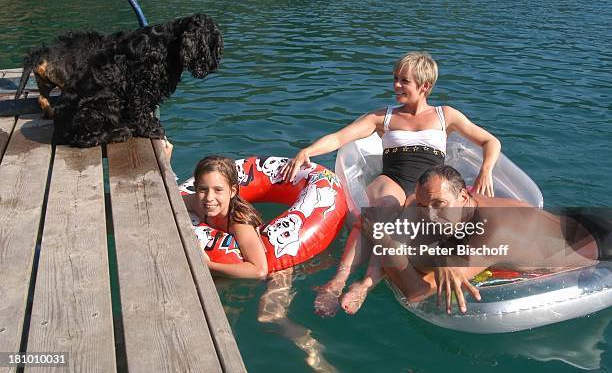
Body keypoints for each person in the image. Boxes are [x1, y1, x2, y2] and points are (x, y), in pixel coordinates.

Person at [280, 51, 501, 316]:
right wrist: (309, 150)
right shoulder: (383, 117)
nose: (396, 85)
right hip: (392, 179)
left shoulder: (446, 115)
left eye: (403, 81)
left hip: (426, 189)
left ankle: (365, 284)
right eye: (395, 79)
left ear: (424, 86)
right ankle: (338, 280)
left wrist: (485, 170)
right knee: (385, 207)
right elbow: (340, 138)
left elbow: (491, 141)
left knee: (404, 216)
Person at [377, 165, 603, 314]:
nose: (429, 216)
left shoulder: (490, 233)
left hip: (594, 257)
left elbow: (415, 292)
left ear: (463, 196)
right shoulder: (462, 201)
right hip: (579, 226)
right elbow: (412, 198)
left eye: (438, 205)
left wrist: (384, 243)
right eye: (424, 207)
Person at [183, 155, 268, 279]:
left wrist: (207, 265)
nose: (209, 198)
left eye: (218, 190)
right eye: (203, 189)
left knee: (273, 294)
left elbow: (259, 270)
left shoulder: (239, 221)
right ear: (195, 188)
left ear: (233, 191)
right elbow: (166, 204)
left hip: (271, 265)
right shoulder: (196, 203)